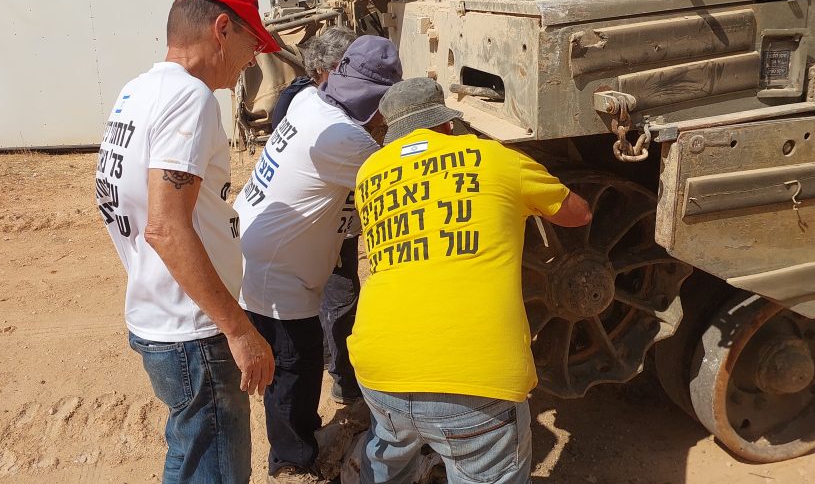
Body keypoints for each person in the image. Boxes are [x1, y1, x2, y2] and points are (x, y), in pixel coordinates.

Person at [348, 78, 592, 484]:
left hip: (379, 372)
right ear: (446, 124)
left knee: (391, 457)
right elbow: (577, 214)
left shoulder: (369, 172)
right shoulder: (495, 157)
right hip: (475, 384)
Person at [95, 0, 278, 484]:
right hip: (194, 333)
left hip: (161, 317)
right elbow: (166, 229)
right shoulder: (190, 99)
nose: (252, 58)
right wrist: (240, 330)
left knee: (191, 455)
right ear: (222, 28)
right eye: (251, 42)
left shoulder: (138, 91)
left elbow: (124, 205)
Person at [234, 35, 403, 484]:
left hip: (261, 247)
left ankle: (300, 444)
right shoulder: (346, 139)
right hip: (278, 271)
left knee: (296, 361)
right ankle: (293, 461)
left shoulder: (310, 99)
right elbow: (398, 181)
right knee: (293, 368)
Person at [270, 26, 367, 405]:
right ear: (329, 69)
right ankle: (343, 378)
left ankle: (336, 365)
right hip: (322, 221)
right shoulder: (307, 103)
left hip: (334, 217)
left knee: (338, 295)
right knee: (338, 298)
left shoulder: (310, 98)